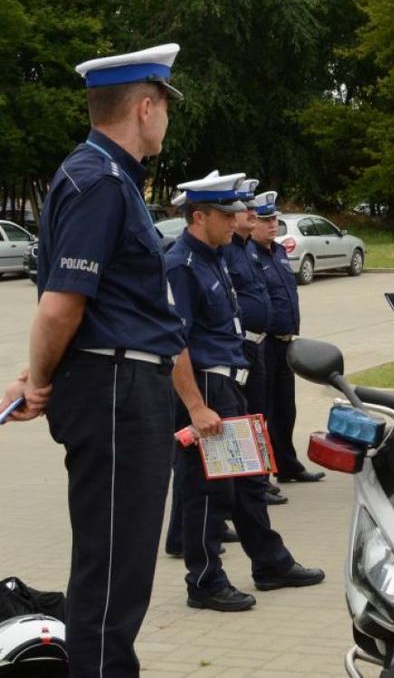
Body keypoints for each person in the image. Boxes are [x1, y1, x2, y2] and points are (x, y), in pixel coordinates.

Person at [0, 43, 186, 676]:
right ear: (144, 107)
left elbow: (84, 305)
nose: (166, 119)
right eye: (165, 106)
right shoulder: (101, 182)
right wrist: (38, 379)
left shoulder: (104, 178)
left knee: (119, 572)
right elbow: (61, 306)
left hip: (119, 383)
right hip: (117, 392)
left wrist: (34, 373)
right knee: (110, 579)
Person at [165, 174, 324, 613]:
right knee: (206, 490)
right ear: (200, 217)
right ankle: (204, 582)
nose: (237, 220)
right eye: (227, 214)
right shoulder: (181, 265)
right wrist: (195, 406)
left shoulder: (215, 255)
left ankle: (270, 563)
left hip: (233, 383)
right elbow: (175, 342)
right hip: (207, 387)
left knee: (251, 481)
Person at [250, 191, 325, 483]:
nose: (272, 224)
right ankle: (260, 476)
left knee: (285, 410)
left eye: (274, 219)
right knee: (261, 410)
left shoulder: (279, 252)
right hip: (263, 342)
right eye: (265, 220)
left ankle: (287, 466)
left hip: (285, 342)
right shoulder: (249, 255)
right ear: (253, 222)